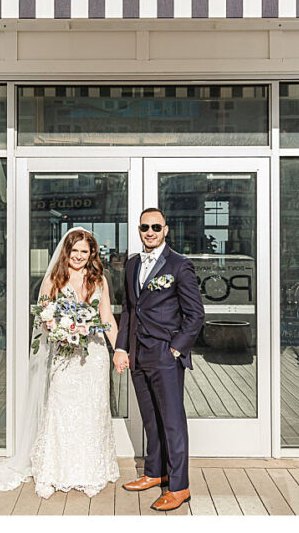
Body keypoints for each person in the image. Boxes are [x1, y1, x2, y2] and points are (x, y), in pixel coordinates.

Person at [0, 227, 120, 497]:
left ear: (91, 254)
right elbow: (43, 315)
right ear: (67, 252)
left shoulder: (99, 280)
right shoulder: (55, 278)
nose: (78, 256)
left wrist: (120, 349)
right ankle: (52, 473)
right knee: (60, 411)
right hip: (65, 356)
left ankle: (90, 473)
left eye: (84, 252)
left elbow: (107, 317)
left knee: (91, 413)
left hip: (94, 357)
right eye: (74, 250)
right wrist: (62, 329)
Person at [113, 207, 203, 512]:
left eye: (155, 227)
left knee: (173, 422)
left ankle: (179, 487)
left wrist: (176, 349)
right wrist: (122, 347)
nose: (149, 232)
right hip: (138, 354)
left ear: (165, 230)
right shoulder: (131, 265)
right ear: (138, 230)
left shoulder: (180, 265)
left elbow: (195, 315)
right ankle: (154, 472)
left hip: (165, 355)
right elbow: (128, 309)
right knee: (151, 420)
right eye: (144, 227)